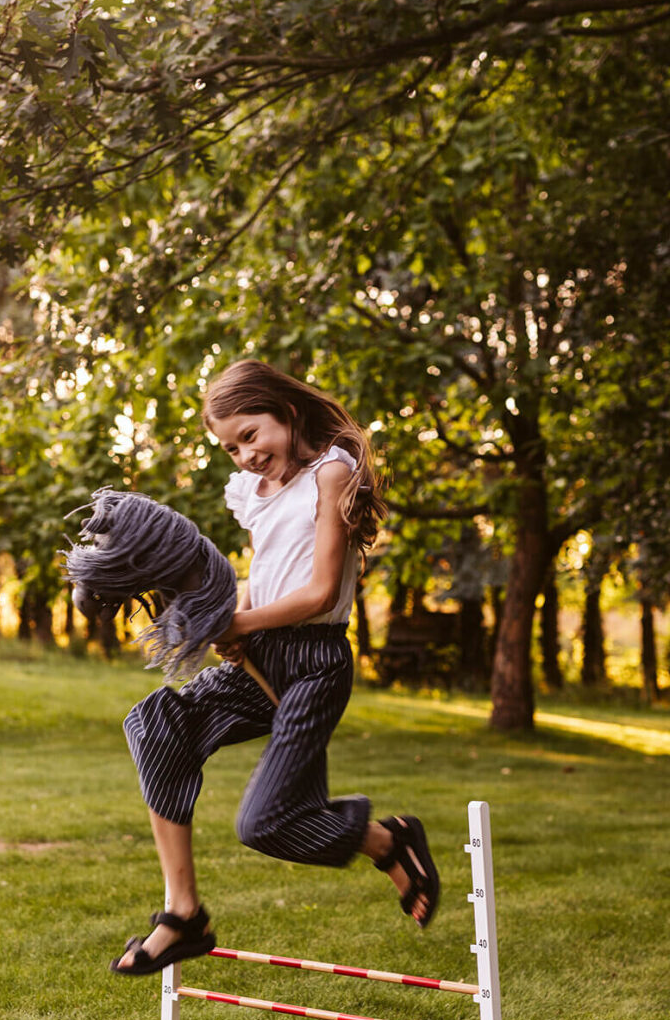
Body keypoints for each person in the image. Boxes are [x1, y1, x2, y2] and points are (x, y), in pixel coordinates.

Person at [111, 359, 440, 975]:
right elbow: (267, 577)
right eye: (230, 446)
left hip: (313, 665)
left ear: (285, 414)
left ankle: (389, 840)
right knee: (153, 722)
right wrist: (237, 618)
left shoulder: (330, 474)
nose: (244, 454)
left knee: (264, 823)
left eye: (251, 434)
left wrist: (238, 624)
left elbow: (316, 592)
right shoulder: (254, 495)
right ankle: (183, 915)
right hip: (261, 659)